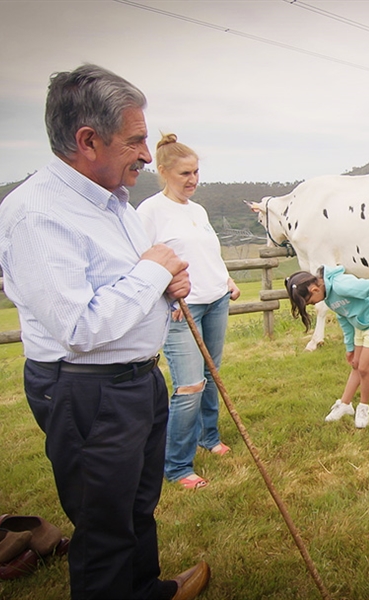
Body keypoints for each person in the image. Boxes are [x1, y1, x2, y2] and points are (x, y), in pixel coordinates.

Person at [0, 64, 209, 599]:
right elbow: (79, 327)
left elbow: (126, 280)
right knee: (104, 524)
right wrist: (155, 271)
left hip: (135, 379)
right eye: (135, 140)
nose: (144, 153)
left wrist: (163, 286)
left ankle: (146, 590)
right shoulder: (36, 215)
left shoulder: (113, 200)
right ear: (88, 140)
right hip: (86, 389)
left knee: (137, 504)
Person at [136, 134, 241, 491]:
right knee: (190, 385)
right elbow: (141, 263)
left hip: (216, 300)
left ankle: (208, 437)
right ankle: (177, 465)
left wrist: (226, 280)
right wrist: (165, 296)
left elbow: (207, 253)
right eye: (185, 173)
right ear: (163, 171)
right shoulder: (149, 212)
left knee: (212, 374)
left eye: (196, 172)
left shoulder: (198, 210)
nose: (193, 180)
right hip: (183, 308)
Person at [285, 265, 369, 428]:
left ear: (315, 289)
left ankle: (364, 407)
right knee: (356, 365)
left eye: (309, 302)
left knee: (364, 368)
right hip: (360, 326)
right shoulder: (328, 295)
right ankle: (345, 404)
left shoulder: (341, 285)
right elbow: (344, 318)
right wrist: (349, 347)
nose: (311, 305)